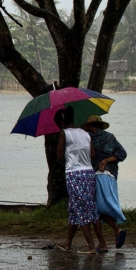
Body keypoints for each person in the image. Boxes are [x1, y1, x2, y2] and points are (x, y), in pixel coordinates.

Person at [55, 106, 99, 254]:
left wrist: (69, 155)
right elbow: (92, 155)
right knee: (75, 208)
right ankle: (68, 243)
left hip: (74, 174)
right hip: (89, 174)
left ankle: (91, 246)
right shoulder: (85, 134)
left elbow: (59, 156)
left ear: (62, 122)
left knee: (81, 209)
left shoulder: (64, 134)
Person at [83, 115, 128, 250]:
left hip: (97, 176)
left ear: (90, 126)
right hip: (111, 176)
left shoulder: (87, 138)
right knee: (102, 207)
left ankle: (109, 237)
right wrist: (107, 160)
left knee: (96, 210)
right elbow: (122, 154)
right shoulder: (110, 137)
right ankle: (111, 235)